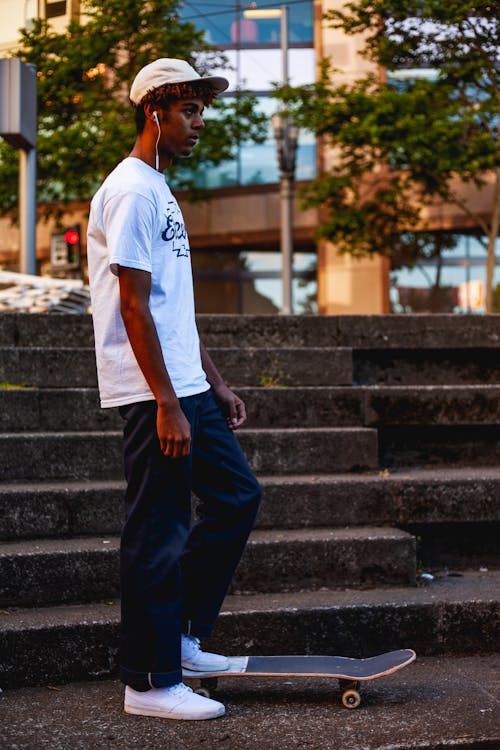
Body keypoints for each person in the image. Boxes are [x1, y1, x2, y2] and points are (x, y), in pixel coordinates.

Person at [87, 58, 261, 721]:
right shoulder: (131, 190)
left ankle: (182, 641)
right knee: (157, 531)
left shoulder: (159, 189)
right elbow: (132, 307)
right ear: (154, 110)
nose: (199, 124)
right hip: (150, 391)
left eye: (202, 112)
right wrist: (164, 401)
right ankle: (149, 682)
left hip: (185, 383)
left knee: (238, 497)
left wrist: (212, 383)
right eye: (189, 111)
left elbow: (170, 307)